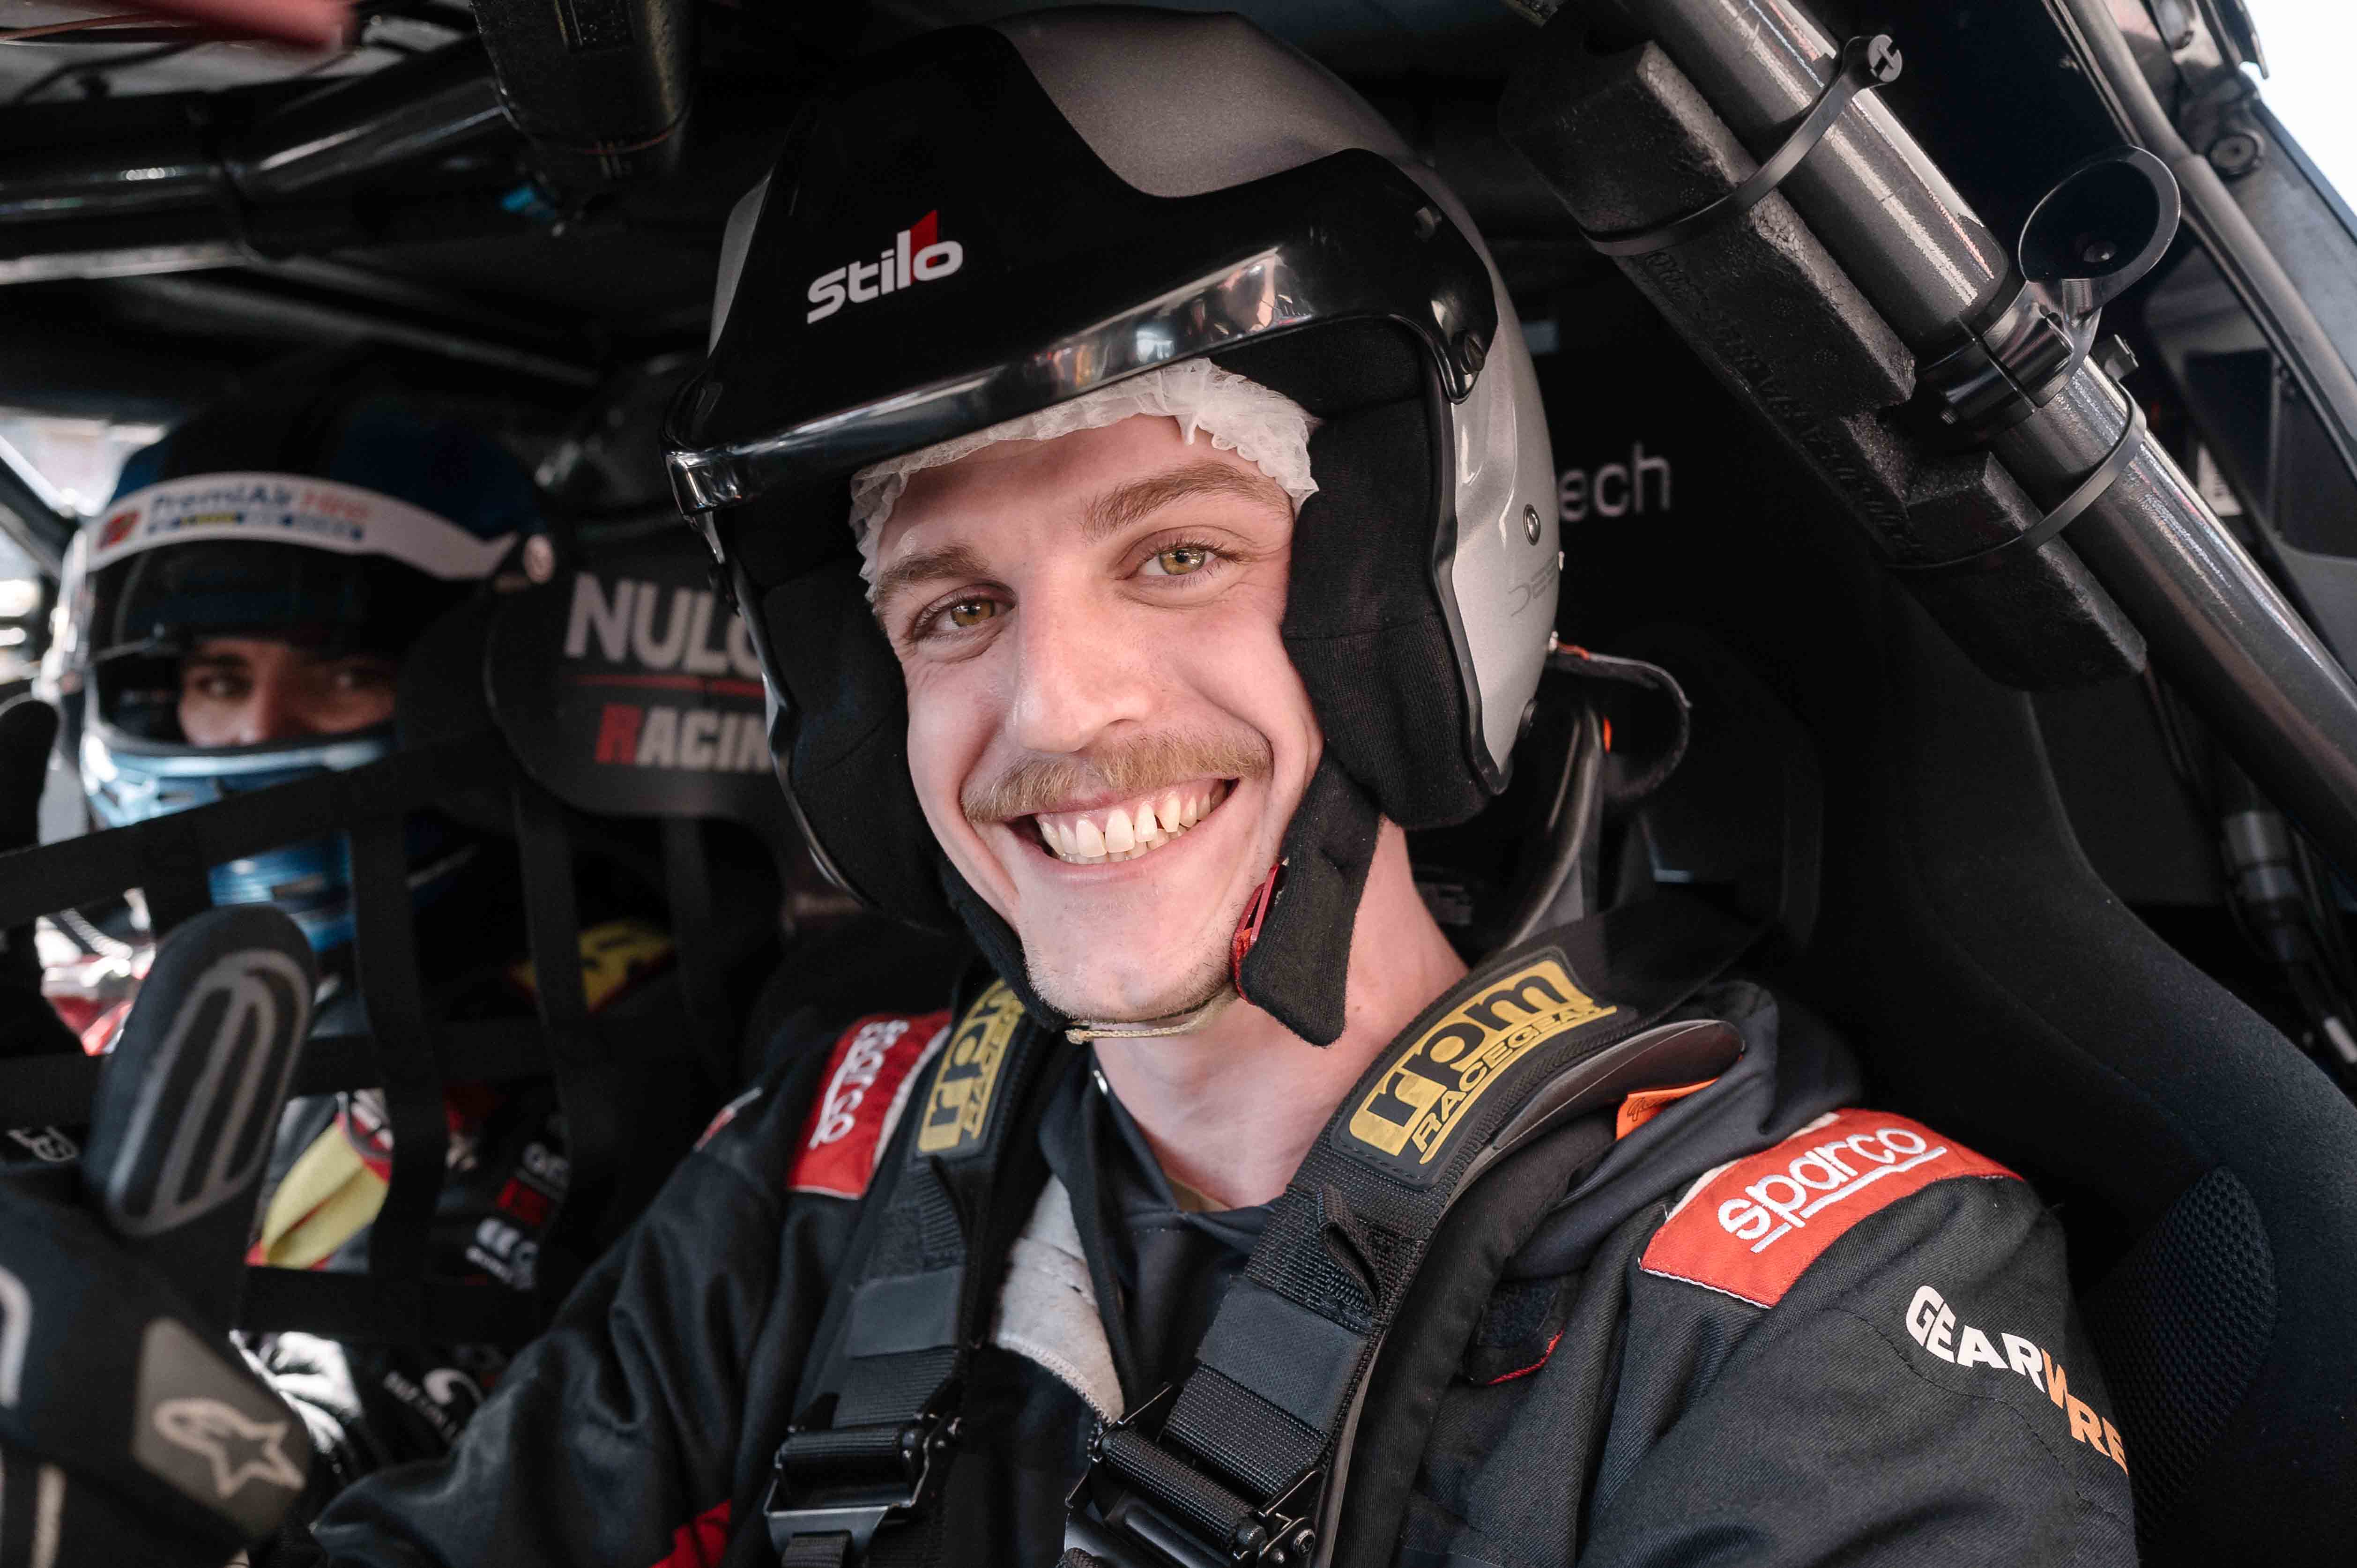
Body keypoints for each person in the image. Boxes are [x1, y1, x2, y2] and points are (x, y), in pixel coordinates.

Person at [0, 14, 2134, 1566]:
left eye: (1178, 554)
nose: (1054, 709)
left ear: (1410, 585)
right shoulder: (822, 1174)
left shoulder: (1805, 1306)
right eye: (943, 610)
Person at [21, 355, 700, 1496]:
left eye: (340, 677)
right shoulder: (116, 989)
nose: (254, 736)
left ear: (488, 690)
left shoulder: (597, 1019)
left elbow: (350, 1465)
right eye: (218, 679)